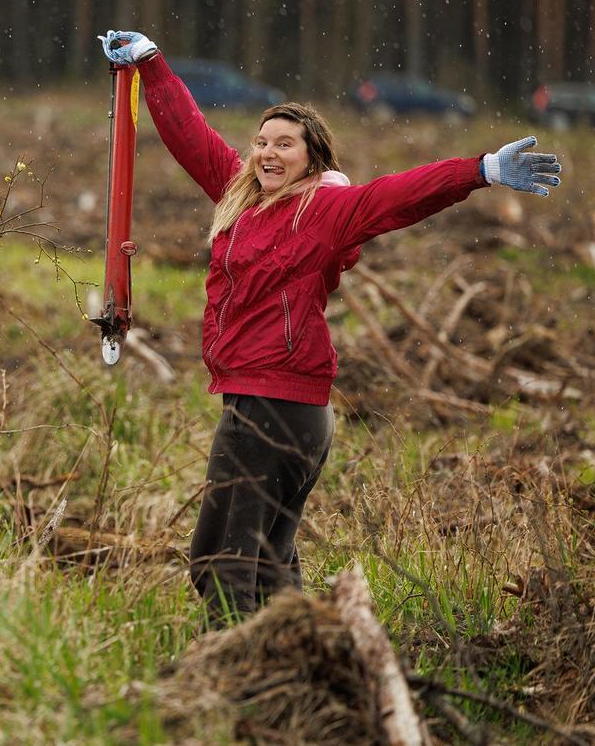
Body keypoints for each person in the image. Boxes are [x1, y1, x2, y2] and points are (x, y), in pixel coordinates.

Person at [98, 30, 561, 626]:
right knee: (268, 566)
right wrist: (152, 65)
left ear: (312, 159)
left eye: (284, 144)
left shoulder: (326, 211)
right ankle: (302, 656)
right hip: (277, 407)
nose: (267, 153)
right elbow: (191, 136)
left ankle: (237, 667)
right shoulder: (241, 199)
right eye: (261, 142)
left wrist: (481, 169)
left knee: (220, 563)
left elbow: (401, 195)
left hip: (271, 407)